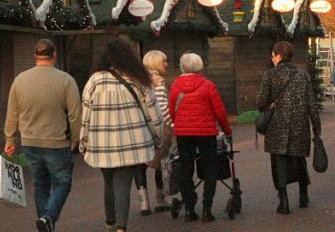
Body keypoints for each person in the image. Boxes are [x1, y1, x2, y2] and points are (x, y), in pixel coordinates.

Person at [80, 39, 162, 232]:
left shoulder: (95, 80)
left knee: (108, 183)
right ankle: (121, 228)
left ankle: (110, 222)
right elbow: (154, 113)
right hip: (131, 143)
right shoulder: (139, 79)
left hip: (101, 143)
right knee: (122, 184)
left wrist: (83, 141)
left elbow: (86, 114)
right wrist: (158, 136)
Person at [5, 39, 82, 232]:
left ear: (35, 56)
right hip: (57, 142)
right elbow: (75, 114)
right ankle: (48, 218)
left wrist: (9, 139)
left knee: (40, 185)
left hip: (30, 142)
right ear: (54, 55)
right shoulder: (66, 80)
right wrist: (76, 138)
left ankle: (46, 223)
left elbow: (12, 112)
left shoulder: (20, 80)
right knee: (62, 183)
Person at [256, 41, 321, 215]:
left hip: (277, 127)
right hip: (300, 126)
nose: (272, 58)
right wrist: (317, 130)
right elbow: (312, 104)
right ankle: (303, 196)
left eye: (272, 55)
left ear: (278, 56)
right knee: (299, 160)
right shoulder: (303, 75)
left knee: (279, 163)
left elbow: (260, 102)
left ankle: (283, 202)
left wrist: (270, 105)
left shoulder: (270, 75)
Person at [168, 52, 233, 223]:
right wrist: (227, 130)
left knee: (185, 169)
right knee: (210, 169)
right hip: (206, 133)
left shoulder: (175, 85)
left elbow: (172, 110)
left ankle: (189, 209)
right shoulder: (208, 85)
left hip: (184, 134)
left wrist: (180, 123)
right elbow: (219, 111)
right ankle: (207, 209)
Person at [141, 50, 176, 215]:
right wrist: (173, 125)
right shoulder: (158, 83)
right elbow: (162, 109)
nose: (167, 64)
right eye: (164, 61)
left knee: (140, 167)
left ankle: (144, 202)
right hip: (158, 132)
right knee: (159, 165)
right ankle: (159, 200)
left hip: (141, 130)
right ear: (155, 63)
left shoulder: (139, 80)